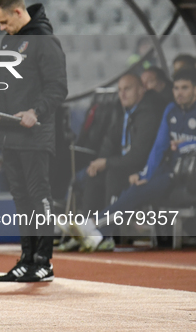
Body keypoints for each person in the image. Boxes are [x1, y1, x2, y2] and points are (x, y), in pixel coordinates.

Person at [0, 0, 67, 283]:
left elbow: (58, 87)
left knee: (38, 197)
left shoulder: (45, 43)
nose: (1, 28)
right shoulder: (10, 42)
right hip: (9, 135)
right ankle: (27, 258)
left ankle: (44, 261)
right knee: (21, 199)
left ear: (18, 12)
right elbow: (6, 85)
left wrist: (36, 111)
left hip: (34, 136)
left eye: (4, 22)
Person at [75, 69, 196, 251]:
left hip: (188, 174)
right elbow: (159, 146)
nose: (179, 93)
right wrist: (145, 173)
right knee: (138, 186)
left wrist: (186, 144)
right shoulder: (171, 110)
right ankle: (96, 229)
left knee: (137, 189)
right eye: (176, 88)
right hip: (170, 169)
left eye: (185, 88)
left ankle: (93, 226)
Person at [80, 74, 167, 214]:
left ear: (141, 90)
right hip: (124, 165)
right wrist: (98, 163)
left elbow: (139, 156)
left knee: (114, 175)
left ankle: (108, 229)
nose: (123, 94)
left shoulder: (149, 114)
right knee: (94, 175)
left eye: (128, 89)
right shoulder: (124, 113)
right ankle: (87, 226)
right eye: (120, 90)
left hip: (143, 169)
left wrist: (107, 162)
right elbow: (109, 142)